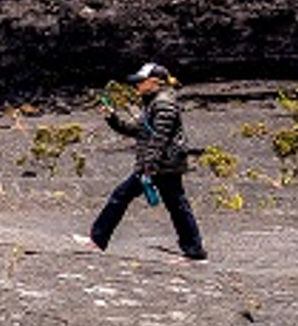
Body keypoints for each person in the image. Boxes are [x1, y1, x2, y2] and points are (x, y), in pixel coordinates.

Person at [79, 62, 206, 261]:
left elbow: (159, 139)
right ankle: (194, 249)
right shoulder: (153, 101)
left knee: (123, 196)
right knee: (177, 206)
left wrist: (149, 166)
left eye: (140, 81)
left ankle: (98, 240)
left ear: (154, 82)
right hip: (161, 165)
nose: (136, 85)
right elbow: (137, 130)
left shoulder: (163, 104)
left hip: (162, 166)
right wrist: (112, 118)